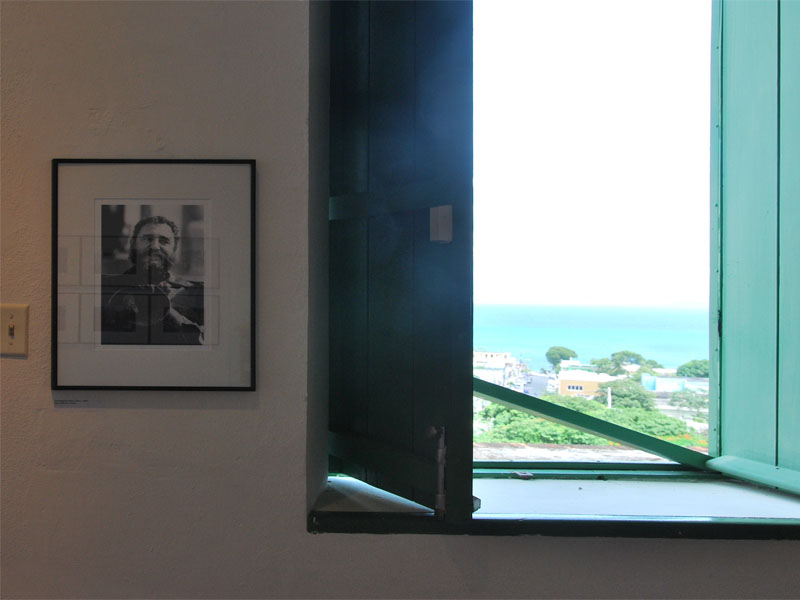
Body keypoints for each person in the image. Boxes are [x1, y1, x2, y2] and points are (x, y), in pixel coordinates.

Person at [102, 215, 204, 345]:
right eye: (147, 239)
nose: (155, 246)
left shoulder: (196, 293)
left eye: (164, 240)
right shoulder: (104, 288)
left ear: (174, 248)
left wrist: (164, 309)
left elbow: (203, 345)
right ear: (133, 244)